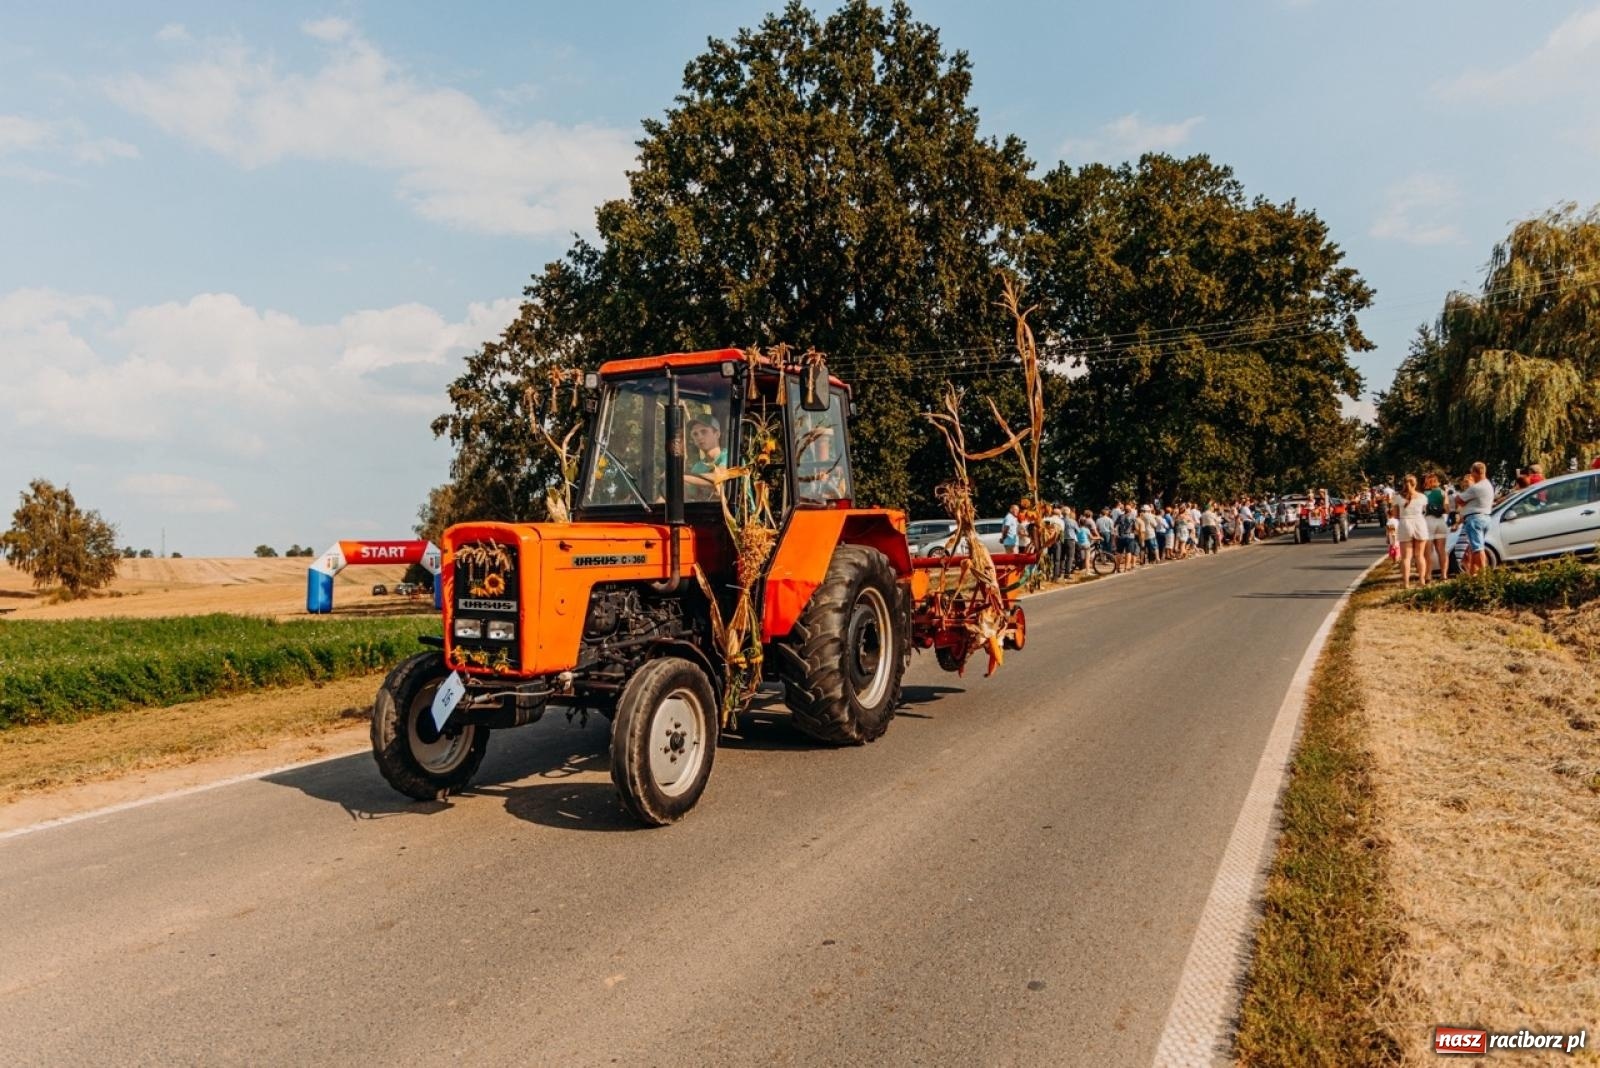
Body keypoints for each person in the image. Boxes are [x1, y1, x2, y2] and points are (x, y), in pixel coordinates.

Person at [1456, 462, 1495, 576]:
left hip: (1475, 519)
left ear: (1475, 472)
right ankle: (1473, 574)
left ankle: (1484, 574)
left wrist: (1466, 488)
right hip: (1485, 517)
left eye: (1472, 472)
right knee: (1473, 549)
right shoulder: (1488, 485)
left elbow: (1459, 500)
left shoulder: (1476, 488)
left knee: (1478, 548)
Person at [1397, 474, 1430, 588]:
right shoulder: (1422, 497)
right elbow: (1424, 511)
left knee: (1406, 557)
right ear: (1415, 484)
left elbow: (1396, 515)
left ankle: (1406, 582)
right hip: (1419, 523)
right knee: (1420, 555)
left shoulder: (1398, 497)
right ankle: (1421, 580)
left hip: (1405, 523)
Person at [686, 415, 728, 499]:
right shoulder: (697, 467)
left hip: (738, 510)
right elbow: (690, 495)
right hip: (707, 511)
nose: (699, 437)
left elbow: (718, 477)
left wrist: (680, 476)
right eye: (695, 434)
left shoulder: (729, 456)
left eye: (704, 432)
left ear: (717, 434)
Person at [1422, 472, 1450, 582]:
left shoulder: (1425, 494)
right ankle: (1444, 575)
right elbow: (1447, 510)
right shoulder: (1443, 493)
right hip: (1441, 521)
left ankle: (1428, 575)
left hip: (1428, 521)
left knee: (1428, 551)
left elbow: (1423, 510)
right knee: (1441, 550)